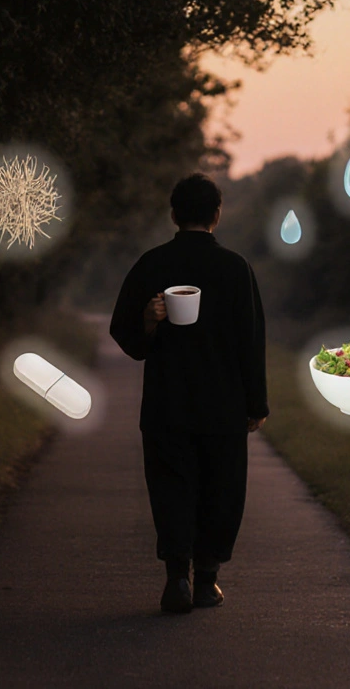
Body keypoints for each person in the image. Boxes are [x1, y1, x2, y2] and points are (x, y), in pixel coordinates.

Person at [109, 173, 268, 614]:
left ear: (174, 214)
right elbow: (251, 341)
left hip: (167, 405)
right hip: (223, 406)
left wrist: (148, 321)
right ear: (217, 213)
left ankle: (177, 578)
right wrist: (257, 405)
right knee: (221, 489)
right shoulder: (236, 269)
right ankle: (208, 581)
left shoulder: (151, 264)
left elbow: (124, 334)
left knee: (172, 488)